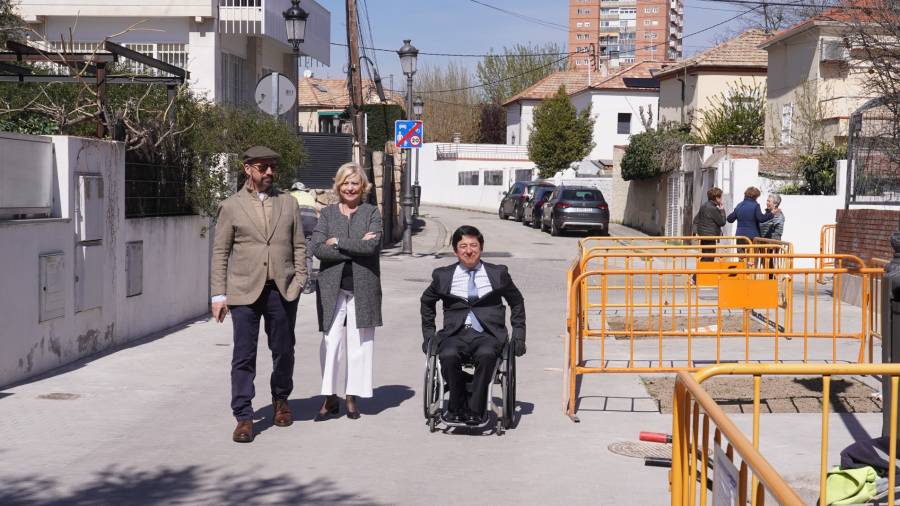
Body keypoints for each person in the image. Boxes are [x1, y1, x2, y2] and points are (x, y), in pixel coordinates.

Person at [210, 146, 307, 443]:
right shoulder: (231, 206)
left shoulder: (288, 203)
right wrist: (218, 295)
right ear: (247, 169)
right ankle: (243, 416)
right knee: (244, 355)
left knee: (284, 350)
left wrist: (300, 278)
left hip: (282, 289)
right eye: (263, 168)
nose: (269, 173)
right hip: (243, 292)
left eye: (271, 168)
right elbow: (220, 252)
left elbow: (299, 245)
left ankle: (281, 400)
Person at [420, 225, 527, 425]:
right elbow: (426, 302)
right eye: (463, 246)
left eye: (473, 245)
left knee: (487, 355)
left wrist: (519, 336)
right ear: (455, 250)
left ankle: (476, 410)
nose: (469, 251)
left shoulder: (498, 274)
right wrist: (429, 335)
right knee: (448, 355)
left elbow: (517, 302)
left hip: (488, 334)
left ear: (481, 247)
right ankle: (456, 406)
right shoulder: (443, 275)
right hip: (455, 333)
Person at [311, 162, 383, 421]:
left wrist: (339, 242)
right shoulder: (329, 213)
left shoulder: (372, 212)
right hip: (333, 286)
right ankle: (330, 397)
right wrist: (355, 246)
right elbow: (317, 248)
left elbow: (372, 247)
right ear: (338, 186)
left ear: (363, 186)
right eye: (346, 183)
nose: (350, 188)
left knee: (360, 343)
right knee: (331, 341)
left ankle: (352, 395)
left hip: (363, 287)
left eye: (355, 183)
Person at [290, 181, 319, 294]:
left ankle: (294, 284)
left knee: (292, 254)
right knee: (308, 256)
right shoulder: (310, 196)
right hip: (311, 227)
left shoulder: (291, 196)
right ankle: (307, 285)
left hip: (297, 227)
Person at [692, 187, 726, 262]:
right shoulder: (713, 208)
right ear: (717, 198)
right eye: (720, 197)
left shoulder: (704, 206)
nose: (721, 199)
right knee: (708, 258)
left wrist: (695, 232)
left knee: (706, 256)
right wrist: (722, 210)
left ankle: (699, 273)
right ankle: (698, 274)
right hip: (710, 236)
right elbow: (722, 222)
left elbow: (696, 219)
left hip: (704, 236)